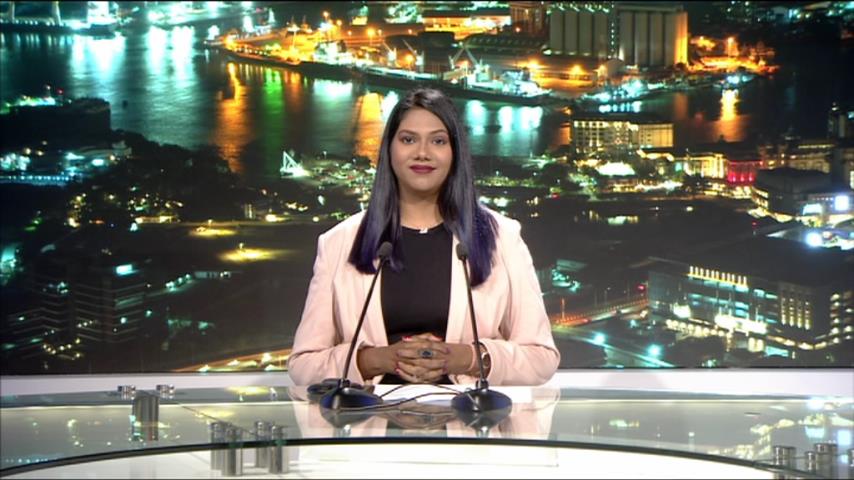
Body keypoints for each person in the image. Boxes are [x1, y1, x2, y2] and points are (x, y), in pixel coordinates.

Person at [288, 87, 559, 386]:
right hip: (371, 415)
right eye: (408, 139)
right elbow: (303, 366)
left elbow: (541, 358)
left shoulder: (502, 238)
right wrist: (378, 359)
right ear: (389, 149)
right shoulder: (340, 242)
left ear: (455, 152)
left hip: (467, 414)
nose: (422, 153)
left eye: (438, 141)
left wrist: (466, 358)